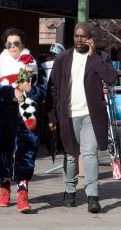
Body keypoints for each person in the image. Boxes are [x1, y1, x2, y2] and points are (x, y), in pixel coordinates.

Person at [45, 22, 117, 213]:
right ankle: (70, 190)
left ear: (90, 37)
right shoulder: (62, 58)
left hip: (90, 116)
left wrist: (93, 58)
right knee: (70, 155)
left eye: (83, 36)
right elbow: (52, 89)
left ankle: (93, 196)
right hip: (67, 115)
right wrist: (51, 116)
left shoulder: (101, 57)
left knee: (90, 154)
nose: (79, 40)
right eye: (76, 36)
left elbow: (111, 78)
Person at [0, 27, 46, 213]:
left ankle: (22, 191)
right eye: (9, 44)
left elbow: (42, 91)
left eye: (16, 43)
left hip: (26, 115)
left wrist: (29, 90)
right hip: (1, 114)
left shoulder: (33, 65)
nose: (13, 47)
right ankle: (4, 186)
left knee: (25, 152)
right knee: (1, 150)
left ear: (23, 45)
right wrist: (12, 93)